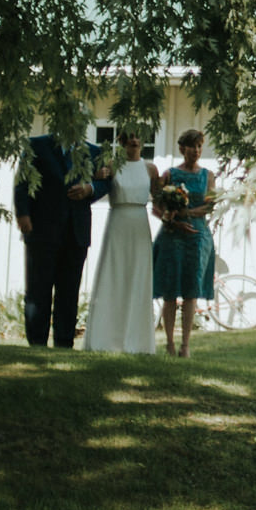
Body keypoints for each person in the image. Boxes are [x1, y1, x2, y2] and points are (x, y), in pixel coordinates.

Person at [13, 131, 112, 348]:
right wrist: (23, 214)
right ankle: (37, 343)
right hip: (41, 228)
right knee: (38, 290)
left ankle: (64, 342)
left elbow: (107, 182)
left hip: (76, 231)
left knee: (68, 292)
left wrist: (90, 189)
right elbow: (22, 182)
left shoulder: (93, 152)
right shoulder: (37, 145)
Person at [83, 129, 160, 355]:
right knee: (114, 275)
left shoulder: (150, 169)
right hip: (118, 220)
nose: (135, 141)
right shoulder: (112, 165)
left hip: (140, 222)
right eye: (130, 138)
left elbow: (159, 200)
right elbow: (95, 183)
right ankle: (106, 338)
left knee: (139, 277)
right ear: (123, 142)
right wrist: (97, 176)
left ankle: (138, 342)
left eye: (138, 137)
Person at [152, 129, 218, 358]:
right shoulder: (169, 175)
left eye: (200, 146)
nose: (196, 151)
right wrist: (170, 217)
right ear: (182, 149)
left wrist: (186, 212)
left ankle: (185, 345)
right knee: (170, 291)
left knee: (191, 291)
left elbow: (210, 205)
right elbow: (157, 206)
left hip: (198, 236)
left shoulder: (208, 176)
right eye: (192, 147)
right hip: (172, 235)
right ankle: (169, 343)